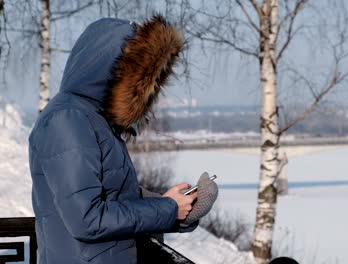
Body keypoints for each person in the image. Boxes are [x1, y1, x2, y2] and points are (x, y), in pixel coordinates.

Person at [28, 16, 216, 264]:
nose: (144, 89)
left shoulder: (92, 118)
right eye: (137, 76)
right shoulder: (68, 119)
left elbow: (112, 196)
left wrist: (173, 207)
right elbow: (88, 219)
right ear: (111, 70)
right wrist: (168, 209)